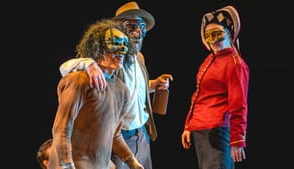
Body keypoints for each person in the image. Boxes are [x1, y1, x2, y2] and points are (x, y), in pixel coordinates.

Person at [58, 1, 173, 169]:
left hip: (141, 133)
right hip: (116, 134)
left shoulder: (139, 57)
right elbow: (65, 68)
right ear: (119, 27)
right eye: (132, 26)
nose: (138, 31)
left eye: (141, 27)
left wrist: (155, 84)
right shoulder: (109, 58)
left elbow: (135, 88)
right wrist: (87, 63)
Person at [48, 18, 144, 169]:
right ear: (98, 47)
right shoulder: (79, 81)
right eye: (114, 43)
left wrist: (132, 161)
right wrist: (66, 164)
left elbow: (114, 134)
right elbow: (61, 129)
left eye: (124, 44)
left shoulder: (121, 89)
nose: (120, 50)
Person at [181, 5, 249, 169]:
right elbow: (199, 95)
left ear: (229, 32)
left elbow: (238, 104)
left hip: (217, 131)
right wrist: (189, 125)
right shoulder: (210, 60)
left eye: (217, 33)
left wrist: (237, 139)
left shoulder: (235, 64)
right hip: (201, 130)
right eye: (208, 35)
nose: (213, 40)